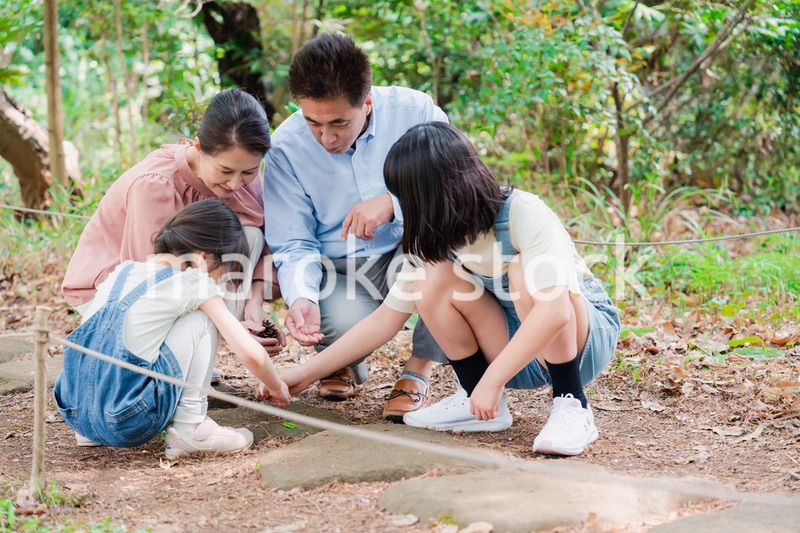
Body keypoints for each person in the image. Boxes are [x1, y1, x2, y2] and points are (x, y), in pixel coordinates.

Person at [278, 122, 621, 456]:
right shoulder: (435, 241)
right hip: (519, 349)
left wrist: (494, 380)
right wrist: (306, 373)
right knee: (432, 277)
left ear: (434, 195)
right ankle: (478, 404)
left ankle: (571, 404)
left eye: (405, 199)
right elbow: (386, 319)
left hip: (581, 343)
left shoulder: (522, 212)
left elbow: (555, 311)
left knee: (522, 271)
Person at [263, 33, 448, 419]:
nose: (326, 137)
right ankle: (341, 359)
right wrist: (302, 298)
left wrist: (394, 204)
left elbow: (456, 188)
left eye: (338, 123)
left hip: (413, 251)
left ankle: (418, 370)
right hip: (342, 270)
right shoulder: (286, 146)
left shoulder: (416, 112)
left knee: (455, 258)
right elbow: (293, 242)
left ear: (366, 102)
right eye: (313, 123)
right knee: (334, 321)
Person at [54, 199, 290, 459]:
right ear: (204, 256)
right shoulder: (194, 283)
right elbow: (252, 355)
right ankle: (192, 429)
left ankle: (92, 429)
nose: (222, 279)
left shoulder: (123, 271)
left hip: (76, 412)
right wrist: (277, 385)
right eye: (226, 268)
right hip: (127, 419)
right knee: (202, 320)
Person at [62, 89, 284, 364]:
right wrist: (234, 332)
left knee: (249, 235)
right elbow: (152, 279)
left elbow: (263, 245)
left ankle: (197, 354)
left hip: (194, 282)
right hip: (117, 293)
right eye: (225, 171)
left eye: (248, 172)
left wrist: (253, 306)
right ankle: (181, 363)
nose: (236, 184)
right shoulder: (155, 184)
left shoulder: (244, 177)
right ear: (199, 147)